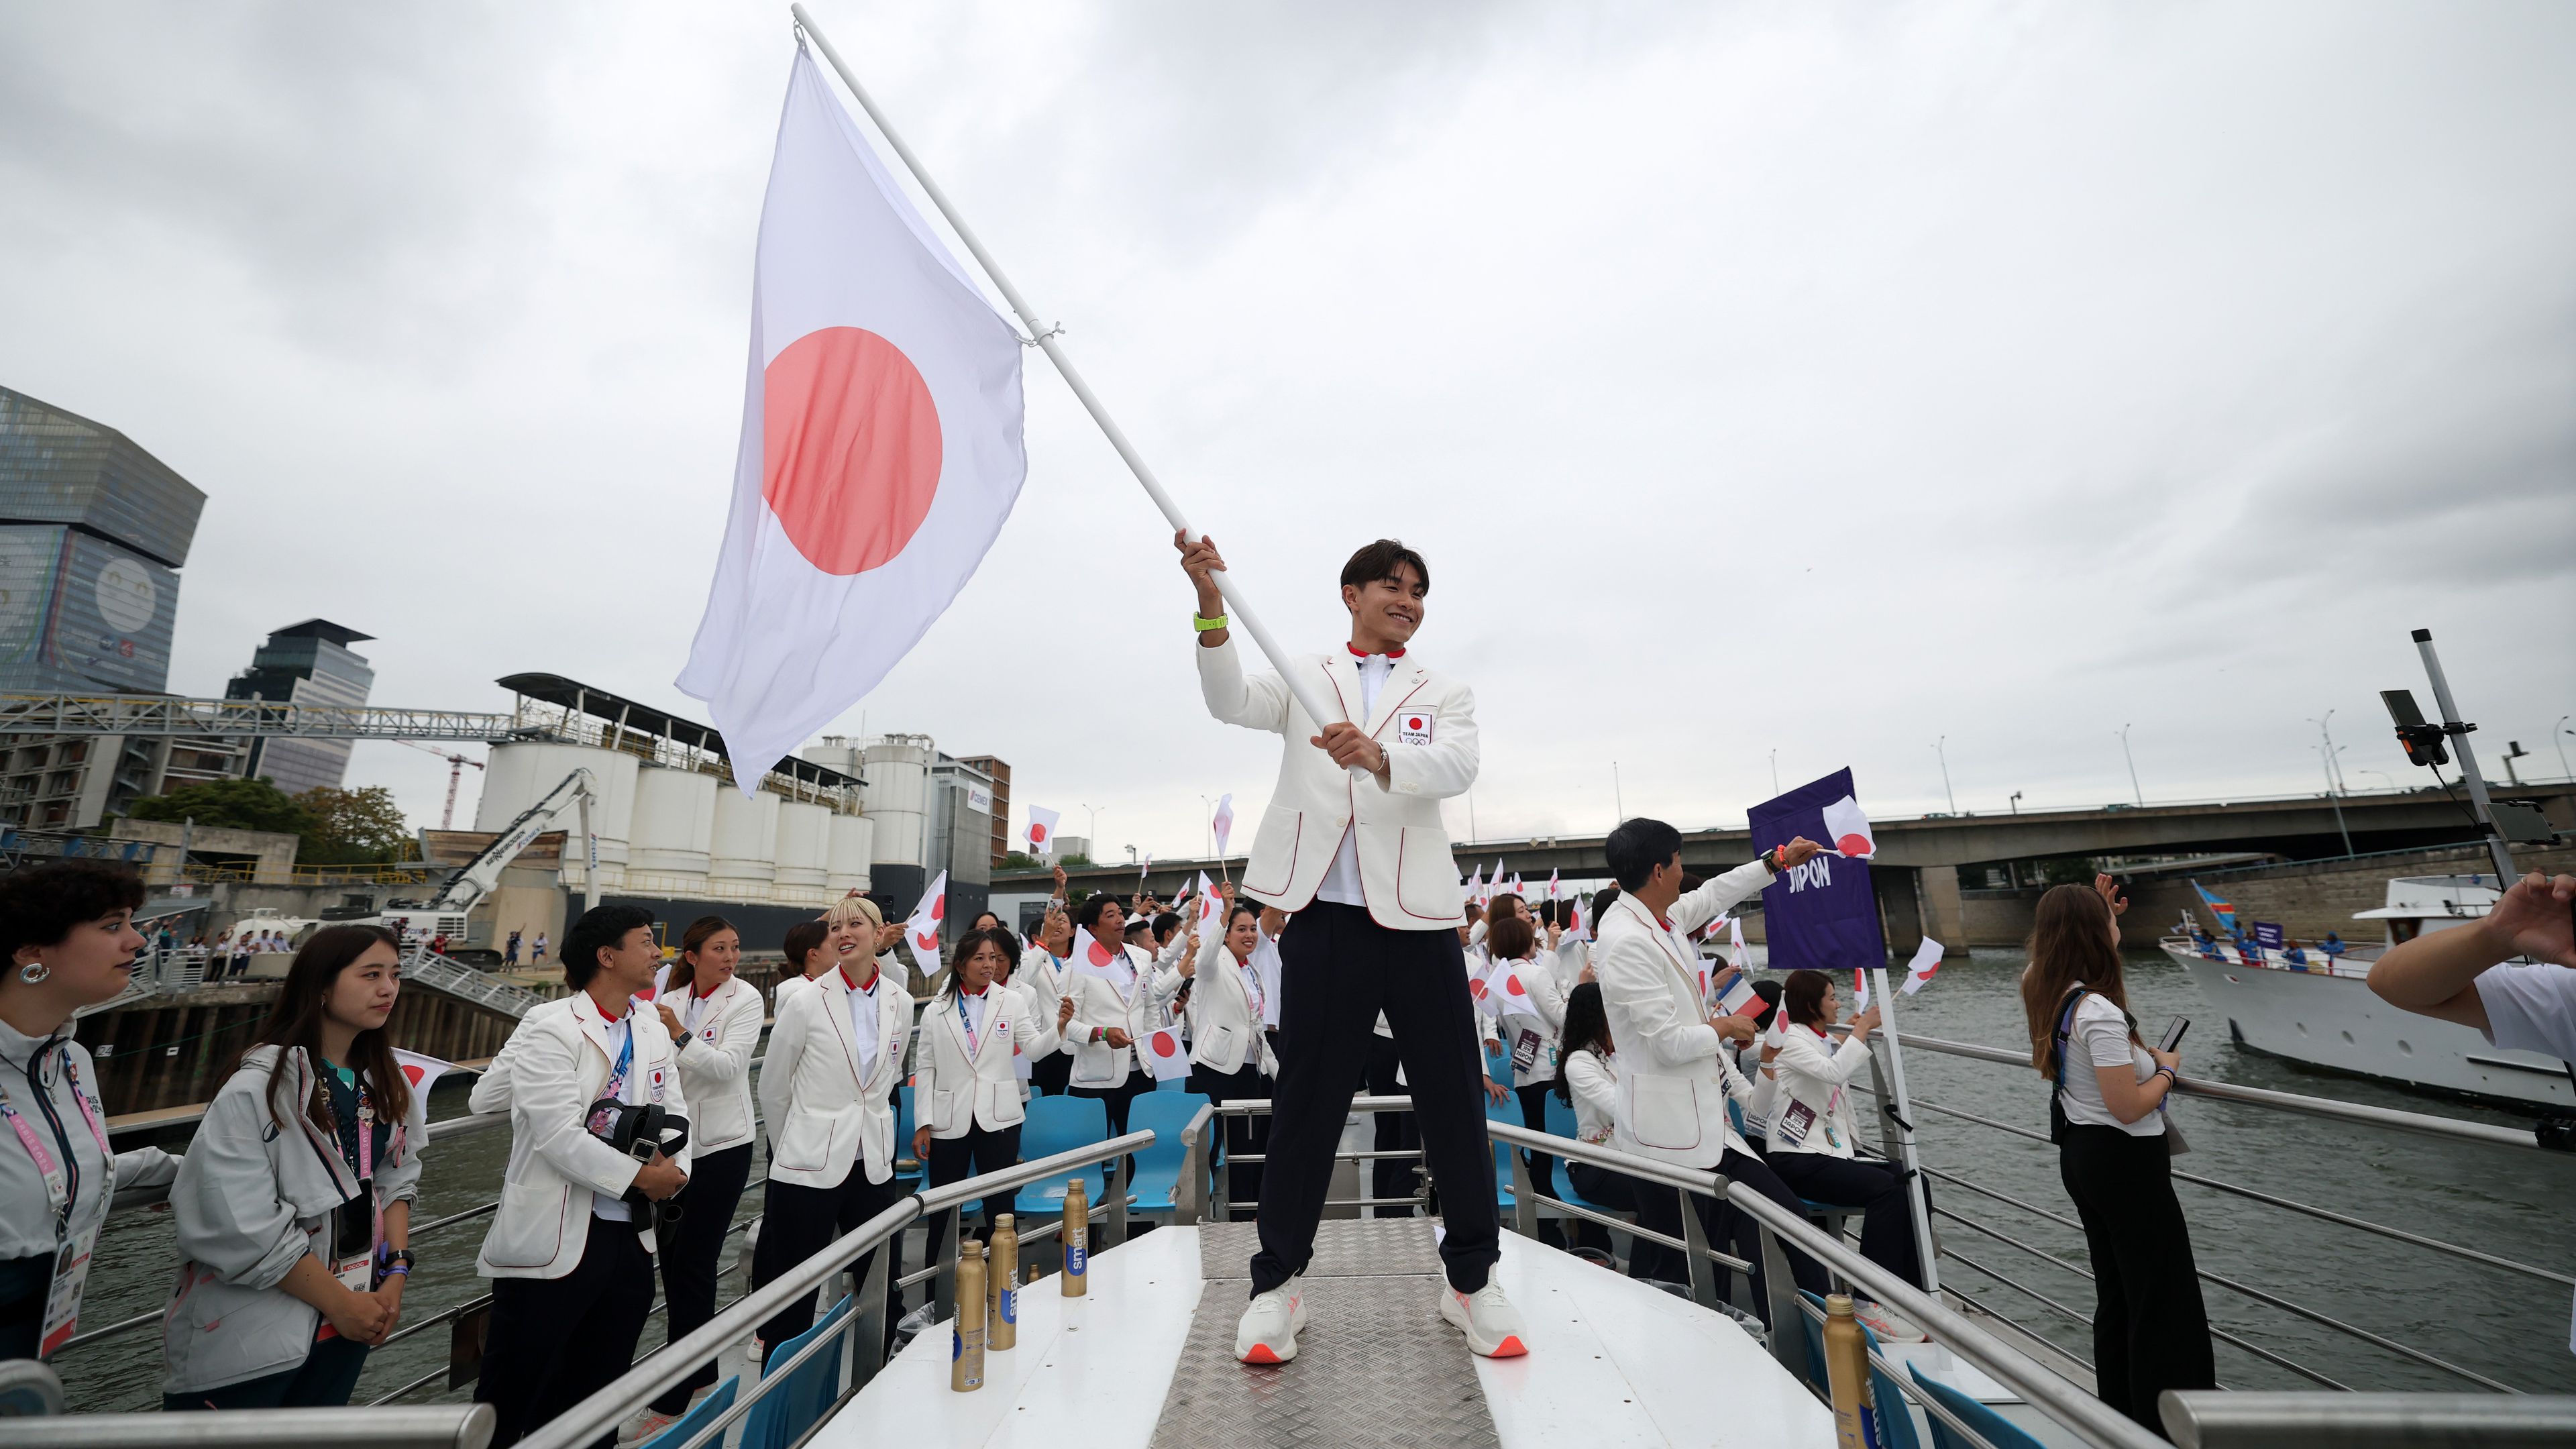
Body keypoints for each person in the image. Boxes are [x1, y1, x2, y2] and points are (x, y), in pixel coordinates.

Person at [1178, 531, 1523, 1364]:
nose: (1408, 601)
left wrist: (1380, 755)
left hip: (1420, 921)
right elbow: (1228, 701)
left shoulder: (1444, 689)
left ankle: (1471, 1280)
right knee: (1308, 1104)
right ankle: (1277, 1284)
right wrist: (1212, 604)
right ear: (1351, 594)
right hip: (1324, 920)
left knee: (1450, 1100)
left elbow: (1457, 765)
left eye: (1418, 592)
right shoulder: (1306, 677)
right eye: (1393, 587)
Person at [163, 925, 425, 1408]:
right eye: (370, 975)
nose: (388, 988)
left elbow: (396, 1177)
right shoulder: (257, 1089)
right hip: (260, 1333)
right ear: (321, 987)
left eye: (394, 974)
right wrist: (341, 1303)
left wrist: (394, 1275)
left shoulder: (385, 1084)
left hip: (352, 1315)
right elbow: (239, 1220)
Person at [1589, 816, 1835, 1326]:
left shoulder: (1660, 916)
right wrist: (1726, 1027)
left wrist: (1777, 861)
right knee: (1681, 1257)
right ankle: (1814, 1335)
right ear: (1659, 870)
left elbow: (1717, 892)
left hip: (1703, 1123)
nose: (1686, 872)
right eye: (1680, 862)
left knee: (1731, 1238)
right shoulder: (1626, 940)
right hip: (1668, 1130)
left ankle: (1803, 1333)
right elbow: (1670, 1043)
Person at [470, 905, 691, 1448]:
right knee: (514, 1388)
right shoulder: (551, 1026)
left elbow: (678, 1110)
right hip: (555, 1235)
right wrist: (643, 1179)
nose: (657, 953)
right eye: (645, 942)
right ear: (606, 956)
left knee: (599, 1387)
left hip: (630, 1237)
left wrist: (678, 1172)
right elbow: (557, 1137)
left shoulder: (649, 1024)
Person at [2019, 878, 2213, 1435]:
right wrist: (2168, 1070)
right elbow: (2128, 1106)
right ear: (2094, 936)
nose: (2116, 930)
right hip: (2126, 1163)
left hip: (2082, 1157)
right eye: (2109, 924)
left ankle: (2122, 1415)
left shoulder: (2045, 987)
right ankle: (2167, 1425)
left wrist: (2100, 911)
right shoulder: (2099, 1012)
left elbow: (2074, 954)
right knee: (2162, 1298)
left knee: (2119, 1293)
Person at [0, 861, 178, 1362]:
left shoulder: (71, 1062)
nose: (138, 941)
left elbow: (45, 1176)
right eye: (111, 925)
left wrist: (183, 1174)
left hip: (35, 1349)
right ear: (31, 952)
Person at [750, 887, 912, 1365]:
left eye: (855, 924)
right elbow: (774, 1088)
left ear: (879, 934)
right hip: (807, 1166)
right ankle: (780, 1403)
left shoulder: (900, 1002)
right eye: (836, 926)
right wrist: (792, 1150)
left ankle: (880, 1379)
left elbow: (890, 1076)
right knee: (793, 1288)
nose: (843, 933)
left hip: (874, 1162)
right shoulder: (805, 1001)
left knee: (881, 1280)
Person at [625, 916, 765, 1439]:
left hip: (723, 1148)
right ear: (691, 955)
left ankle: (675, 1394)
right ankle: (703, 1369)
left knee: (694, 1264)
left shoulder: (745, 999)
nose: (729, 957)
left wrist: (676, 1033)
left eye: (734, 947)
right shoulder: (670, 997)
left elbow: (729, 1068)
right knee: (674, 1262)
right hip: (673, 1150)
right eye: (718, 949)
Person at [1760, 969, 1925, 1298]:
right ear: (1811, 1005)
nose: (1838, 1005)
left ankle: (1911, 1289)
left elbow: (1828, 1057)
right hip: (1797, 1157)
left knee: (1915, 1180)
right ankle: (1872, 1294)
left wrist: (1849, 1034)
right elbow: (1832, 1071)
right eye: (1832, 998)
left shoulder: (1817, 1037)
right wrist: (1861, 1029)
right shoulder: (1789, 1039)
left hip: (1831, 1151)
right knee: (1888, 1191)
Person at [913, 927, 1071, 1255]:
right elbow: (926, 1067)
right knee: (942, 1207)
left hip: (1000, 1119)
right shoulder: (936, 1009)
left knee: (1001, 1207)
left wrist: (1058, 1028)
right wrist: (923, 1122)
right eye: (980, 959)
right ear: (960, 965)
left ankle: (1004, 1283)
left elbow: (1031, 1048)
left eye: (994, 959)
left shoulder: (1011, 1001)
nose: (990, 966)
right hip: (948, 1119)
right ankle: (935, 1295)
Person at [1552, 981, 1688, 1282]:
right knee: (1656, 1195)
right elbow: (1623, 1107)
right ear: (1598, 1017)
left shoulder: (1614, 1056)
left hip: (1628, 1158)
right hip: (1594, 1166)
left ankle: (1658, 1275)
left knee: (1671, 1193)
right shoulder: (1579, 1062)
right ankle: (1646, 1279)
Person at [1176, 902, 1279, 1213]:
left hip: (1249, 1071)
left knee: (1246, 1150)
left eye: (1252, 929)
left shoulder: (1253, 971)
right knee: (1205, 1150)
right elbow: (1204, 960)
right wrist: (1222, 915)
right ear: (1225, 934)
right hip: (1212, 1068)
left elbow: (1256, 1027)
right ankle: (1196, 1217)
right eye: (1241, 929)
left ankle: (1244, 1215)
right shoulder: (1213, 962)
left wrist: (1277, 1071)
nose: (1249, 935)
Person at [1483, 912, 1571, 1244]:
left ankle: (1542, 1223)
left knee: (1536, 1142)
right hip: (1550, 1067)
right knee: (1555, 1143)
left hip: (1524, 1069)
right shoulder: (1536, 974)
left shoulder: (1499, 981)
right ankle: (1550, 1219)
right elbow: (1561, 1016)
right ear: (1524, 942)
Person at [1061, 893, 1162, 1140]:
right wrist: (1102, 1033)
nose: (1120, 919)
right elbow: (1066, 1025)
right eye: (1110, 915)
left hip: (1141, 1073)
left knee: (1140, 1151)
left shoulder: (1141, 957)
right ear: (1094, 928)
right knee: (1090, 1154)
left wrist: (1153, 1050)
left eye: (1120, 913)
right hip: (1097, 1079)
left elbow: (1149, 1008)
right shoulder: (1077, 966)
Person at [1020, 900, 1076, 1097]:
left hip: (1073, 1045)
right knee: (1040, 1101)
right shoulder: (1031, 959)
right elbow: (1023, 984)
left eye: (1063, 921)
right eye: (1054, 921)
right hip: (1043, 1045)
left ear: (1073, 931)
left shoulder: (1081, 962)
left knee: (1068, 1103)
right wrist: (1059, 890)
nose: (1058, 925)